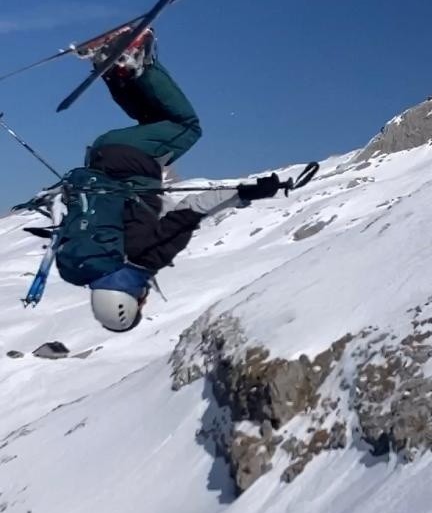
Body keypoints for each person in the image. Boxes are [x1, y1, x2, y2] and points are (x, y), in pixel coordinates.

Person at [57, 28, 281, 332]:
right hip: (101, 156)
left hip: (132, 157)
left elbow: (193, 208)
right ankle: (111, 68)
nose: (145, 299)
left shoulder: (146, 258)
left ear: (130, 300)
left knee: (186, 127)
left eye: (140, 303)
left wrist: (247, 193)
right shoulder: (81, 262)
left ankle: (134, 59)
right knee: (155, 123)